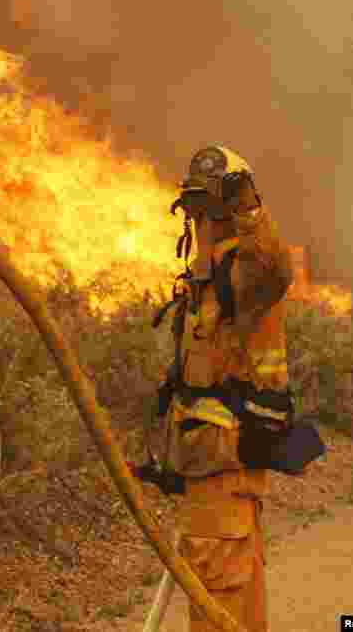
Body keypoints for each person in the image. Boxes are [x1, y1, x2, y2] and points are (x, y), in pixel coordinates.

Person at [138, 146, 297, 632]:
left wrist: (245, 204)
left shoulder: (246, 275)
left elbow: (277, 268)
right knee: (224, 583)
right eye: (193, 209)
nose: (196, 219)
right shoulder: (209, 281)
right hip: (206, 462)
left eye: (206, 209)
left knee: (220, 587)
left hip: (226, 460)